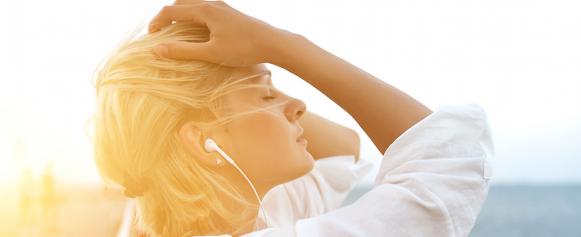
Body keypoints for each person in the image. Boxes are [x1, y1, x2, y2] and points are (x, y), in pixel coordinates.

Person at [94, 0, 494, 236]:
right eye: (268, 93)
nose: (298, 105)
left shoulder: (250, 212)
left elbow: (342, 150)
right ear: (202, 142)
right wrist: (279, 45)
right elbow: (448, 161)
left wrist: (253, 69)